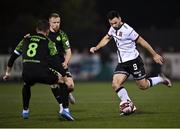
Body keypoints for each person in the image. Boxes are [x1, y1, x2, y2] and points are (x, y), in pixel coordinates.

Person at [90, 10, 172, 115]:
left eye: (115, 22)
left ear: (120, 18)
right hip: (122, 64)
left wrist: (154, 55)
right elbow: (106, 38)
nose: (114, 25)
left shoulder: (128, 30)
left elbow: (142, 41)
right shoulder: (112, 28)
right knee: (115, 84)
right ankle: (129, 104)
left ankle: (161, 79)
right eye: (111, 23)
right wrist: (96, 47)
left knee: (143, 86)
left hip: (134, 61)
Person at [3, 19, 74, 120]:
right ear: (47, 31)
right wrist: (64, 75)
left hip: (27, 73)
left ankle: (25, 111)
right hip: (42, 73)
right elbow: (55, 62)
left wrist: (7, 73)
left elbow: (13, 57)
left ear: (37, 29)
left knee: (26, 84)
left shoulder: (25, 39)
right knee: (62, 81)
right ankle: (65, 110)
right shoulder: (48, 42)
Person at [48, 13, 75, 112]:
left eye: (58, 22)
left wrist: (66, 62)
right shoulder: (45, 34)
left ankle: (67, 93)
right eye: (54, 22)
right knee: (54, 84)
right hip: (49, 65)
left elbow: (68, 51)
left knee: (70, 86)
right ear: (49, 23)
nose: (56, 24)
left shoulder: (62, 34)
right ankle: (61, 106)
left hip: (61, 64)